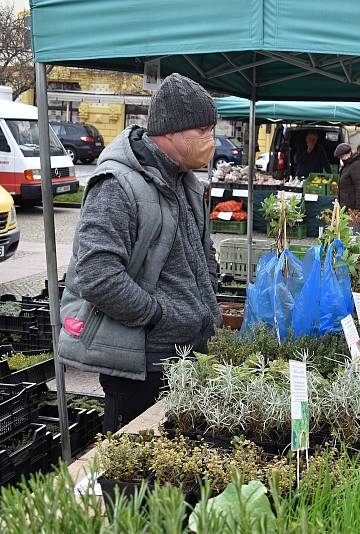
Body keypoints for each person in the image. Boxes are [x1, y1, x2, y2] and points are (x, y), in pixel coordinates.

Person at [60, 73, 221, 433]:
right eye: (204, 131)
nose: (212, 141)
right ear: (172, 133)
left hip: (185, 355)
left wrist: (206, 294)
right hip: (142, 366)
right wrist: (157, 315)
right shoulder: (117, 184)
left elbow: (202, 250)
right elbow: (96, 274)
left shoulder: (186, 182)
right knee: (135, 478)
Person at [335, 142, 360, 214]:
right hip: (349, 209)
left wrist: (359, 211)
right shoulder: (348, 165)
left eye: (341, 157)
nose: (341, 159)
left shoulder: (357, 166)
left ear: (348, 153)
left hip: (355, 210)